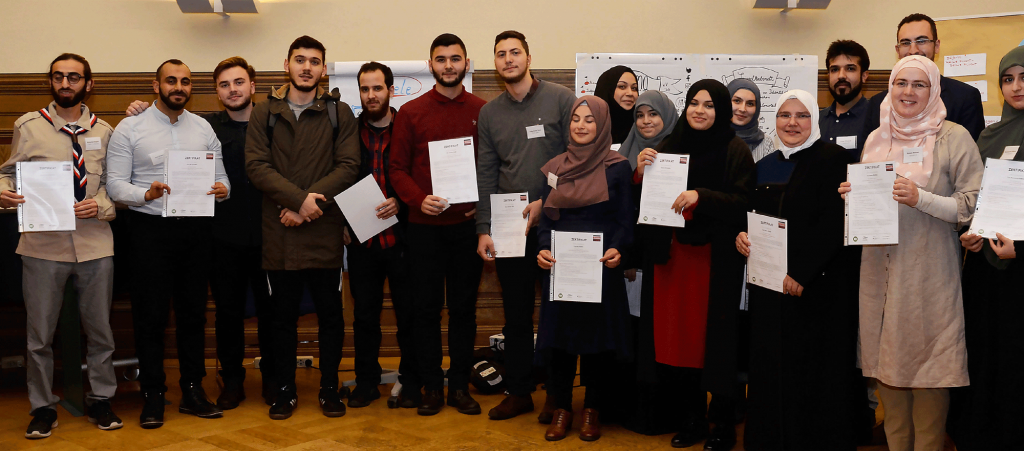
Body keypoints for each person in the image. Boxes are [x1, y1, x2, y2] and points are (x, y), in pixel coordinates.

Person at [840, 55, 983, 451]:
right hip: (877, 271)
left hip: (928, 274)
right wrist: (852, 198)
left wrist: (922, 198)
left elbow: (972, 205)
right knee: (887, 369)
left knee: (929, 371)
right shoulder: (875, 138)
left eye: (919, 84)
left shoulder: (954, 137)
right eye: (901, 83)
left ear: (934, 89)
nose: (908, 92)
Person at [124, 56, 274, 409]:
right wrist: (139, 111)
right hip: (218, 237)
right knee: (225, 313)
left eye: (239, 83)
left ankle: (273, 380)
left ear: (253, 87)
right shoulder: (206, 127)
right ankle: (230, 382)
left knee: (271, 313)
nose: (232, 90)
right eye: (224, 84)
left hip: (269, 234)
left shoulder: (273, 124)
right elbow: (163, 129)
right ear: (216, 92)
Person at [0, 53, 121, 438]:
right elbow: (6, 173)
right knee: (39, 336)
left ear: (89, 83)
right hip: (41, 246)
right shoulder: (29, 126)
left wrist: (99, 205)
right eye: (58, 77)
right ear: (50, 82)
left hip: (95, 244)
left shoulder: (107, 130)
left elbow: (117, 189)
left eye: (73, 77)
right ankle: (42, 408)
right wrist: (2, 194)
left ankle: (101, 399)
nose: (65, 84)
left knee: (100, 331)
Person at [106, 59, 230, 428]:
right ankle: (153, 395)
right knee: (151, 317)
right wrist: (146, 192)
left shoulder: (203, 128)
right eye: (171, 81)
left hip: (195, 233)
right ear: (156, 84)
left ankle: (193, 391)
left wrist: (224, 190)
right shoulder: (130, 128)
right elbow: (114, 185)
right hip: (149, 232)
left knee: (194, 315)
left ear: (192, 88)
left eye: (185, 82)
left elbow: (222, 178)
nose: (179, 87)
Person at [736, 90, 861, 451]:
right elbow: (750, 214)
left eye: (802, 116)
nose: (792, 123)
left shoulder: (834, 159)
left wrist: (802, 273)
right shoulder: (764, 165)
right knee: (770, 368)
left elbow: (835, 223)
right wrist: (740, 236)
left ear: (814, 121)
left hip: (813, 291)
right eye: (785, 115)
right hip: (768, 289)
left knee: (809, 373)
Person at [633, 79, 754, 451]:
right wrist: (641, 170)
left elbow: (743, 201)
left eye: (709, 105)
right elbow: (649, 200)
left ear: (721, 111)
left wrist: (701, 196)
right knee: (680, 342)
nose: (700, 110)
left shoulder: (735, 150)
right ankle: (691, 418)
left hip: (713, 261)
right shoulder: (669, 146)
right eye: (693, 103)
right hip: (672, 260)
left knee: (715, 344)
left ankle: (721, 423)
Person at [245, 35, 360, 420]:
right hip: (279, 232)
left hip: (324, 231)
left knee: (331, 316)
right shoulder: (265, 112)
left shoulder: (339, 112)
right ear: (287, 65)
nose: (307, 67)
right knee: (282, 319)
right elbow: (257, 167)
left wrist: (307, 206)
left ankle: (330, 389)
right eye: (300, 60)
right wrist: (297, 201)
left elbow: (348, 167)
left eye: (314, 61)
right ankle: (284, 392)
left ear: (323, 69)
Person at [475, 30, 575, 421]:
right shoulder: (489, 112)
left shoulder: (561, 100)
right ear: (495, 63)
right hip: (509, 227)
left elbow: (577, 161)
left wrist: (545, 203)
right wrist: (484, 227)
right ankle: (519, 391)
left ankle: (556, 395)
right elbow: (486, 172)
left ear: (529, 58)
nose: (508, 59)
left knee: (557, 311)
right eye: (500, 54)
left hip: (556, 222)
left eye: (515, 52)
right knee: (515, 314)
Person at [389, 33, 487, 416]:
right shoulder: (411, 112)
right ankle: (432, 386)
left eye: (455, 58)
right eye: (441, 59)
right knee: (425, 311)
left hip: (466, 229)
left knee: (464, 310)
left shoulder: (483, 110)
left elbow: (491, 169)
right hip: (423, 228)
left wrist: (480, 208)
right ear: (430, 65)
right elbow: (396, 169)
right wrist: (418, 199)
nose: (449, 65)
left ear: (466, 64)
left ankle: (459, 387)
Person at [535, 95, 633, 442]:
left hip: (600, 268)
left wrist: (618, 248)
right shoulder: (553, 168)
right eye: (576, 118)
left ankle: (592, 408)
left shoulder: (617, 166)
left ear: (602, 124)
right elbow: (547, 217)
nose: (581, 125)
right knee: (560, 341)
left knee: (597, 342)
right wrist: (543, 248)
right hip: (562, 268)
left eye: (590, 120)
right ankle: (562, 408)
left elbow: (625, 219)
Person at [950, 45, 1024, 451]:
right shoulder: (989, 135)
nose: (1015, 87)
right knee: (984, 357)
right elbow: (976, 198)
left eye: (1023, 77)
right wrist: (970, 232)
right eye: (1007, 79)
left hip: (1020, 267)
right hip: (985, 268)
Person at [343, 61, 415, 409]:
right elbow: (335, 178)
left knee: (409, 315)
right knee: (364, 318)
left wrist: (402, 202)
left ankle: (411, 380)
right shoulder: (346, 132)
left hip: (403, 240)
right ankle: (367, 383)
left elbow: (423, 176)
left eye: (377, 88)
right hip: (361, 241)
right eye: (365, 89)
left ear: (390, 89)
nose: (371, 95)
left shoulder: (408, 127)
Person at [864, 13, 984, 141]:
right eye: (905, 43)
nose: (913, 50)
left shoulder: (965, 97)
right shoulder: (878, 103)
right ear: (897, 50)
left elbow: (969, 155)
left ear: (936, 46)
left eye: (922, 41)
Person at [820, 40, 871, 161]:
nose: (841, 76)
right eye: (834, 70)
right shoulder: (815, 121)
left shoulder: (876, 118)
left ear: (864, 76)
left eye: (850, 69)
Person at [727, 79, 773, 163]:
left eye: (750, 104)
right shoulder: (711, 138)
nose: (742, 109)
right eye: (737, 101)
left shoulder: (766, 143)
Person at [594, 65, 639, 144]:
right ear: (607, 90)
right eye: (622, 86)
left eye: (634, 88)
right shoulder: (591, 129)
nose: (630, 93)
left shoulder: (642, 128)